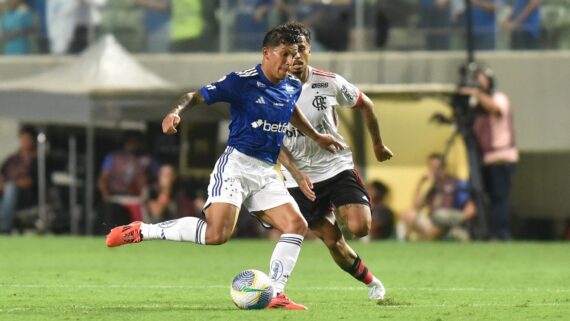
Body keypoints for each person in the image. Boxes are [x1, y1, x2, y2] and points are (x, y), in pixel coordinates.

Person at [105, 23, 344, 310]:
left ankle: (277, 293)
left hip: (267, 170)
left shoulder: (292, 84)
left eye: (295, 54)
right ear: (266, 53)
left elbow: (290, 110)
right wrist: (174, 112)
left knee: (296, 225)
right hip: (236, 166)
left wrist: (316, 136)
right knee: (216, 235)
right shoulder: (241, 82)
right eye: (284, 54)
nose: (291, 60)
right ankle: (143, 230)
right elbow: (195, 96)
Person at [276, 22, 393, 303]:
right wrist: (294, 172)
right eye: (291, 52)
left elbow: (367, 105)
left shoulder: (327, 82)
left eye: (302, 49)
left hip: (335, 167)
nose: (297, 57)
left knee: (360, 228)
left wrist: (377, 144)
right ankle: (372, 283)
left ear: (309, 50)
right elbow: (274, 142)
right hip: (299, 179)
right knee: (332, 241)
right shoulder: (272, 91)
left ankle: (342, 210)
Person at [459, 66, 518, 240]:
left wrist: (476, 93)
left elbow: (495, 109)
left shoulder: (499, 98)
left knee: (500, 198)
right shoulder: (478, 102)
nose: (478, 82)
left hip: (502, 157)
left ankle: (501, 233)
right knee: (488, 198)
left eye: (481, 78)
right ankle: (489, 232)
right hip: (487, 158)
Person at [400, 153, 476, 241]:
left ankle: (434, 236)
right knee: (408, 214)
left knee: (439, 215)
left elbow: (471, 208)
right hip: (434, 222)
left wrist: (459, 219)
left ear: (444, 167)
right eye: (431, 167)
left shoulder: (456, 183)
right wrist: (421, 184)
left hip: (449, 219)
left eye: (436, 167)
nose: (434, 171)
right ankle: (431, 236)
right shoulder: (432, 187)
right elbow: (416, 206)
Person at [97, 131, 156, 230]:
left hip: (137, 199)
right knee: (111, 216)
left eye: (135, 142)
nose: (133, 145)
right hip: (115, 197)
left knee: (141, 227)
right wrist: (106, 197)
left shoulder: (146, 159)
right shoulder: (113, 157)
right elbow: (102, 180)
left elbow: (156, 177)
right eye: (130, 142)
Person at [0, 126, 38, 234]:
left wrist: (10, 185)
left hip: (24, 195)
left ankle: (5, 229)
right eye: (23, 138)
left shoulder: (36, 160)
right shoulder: (11, 159)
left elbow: (31, 181)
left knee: (10, 188)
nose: (24, 142)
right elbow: (2, 175)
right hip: (3, 192)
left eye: (27, 139)